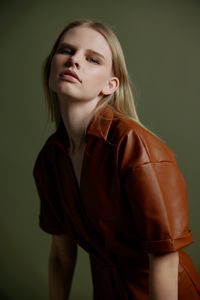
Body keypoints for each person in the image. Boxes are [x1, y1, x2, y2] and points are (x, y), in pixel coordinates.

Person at [33, 19, 200, 300]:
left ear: (110, 85)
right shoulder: (51, 157)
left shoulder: (133, 145)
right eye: (66, 50)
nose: (74, 61)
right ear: (51, 66)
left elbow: (165, 260)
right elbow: (62, 255)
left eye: (92, 59)